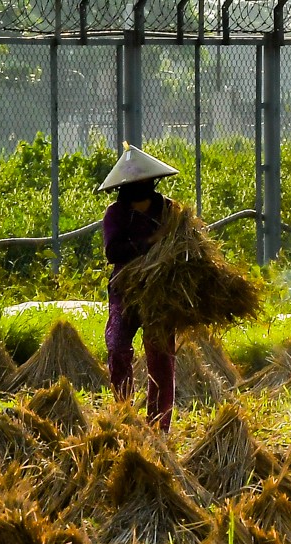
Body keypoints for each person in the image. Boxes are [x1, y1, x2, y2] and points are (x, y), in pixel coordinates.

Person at [98, 146, 180, 431]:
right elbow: (113, 252)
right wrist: (148, 244)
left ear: (152, 181)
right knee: (118, 347)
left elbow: (183, 246)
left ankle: (159, 426)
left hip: (160, 291)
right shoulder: (116, 214)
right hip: (126, 289)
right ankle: (124, 413)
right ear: (124, 186)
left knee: (160, 355)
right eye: (133, 182)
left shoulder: (170, 211)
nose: (139, 186)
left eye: (143, 181)